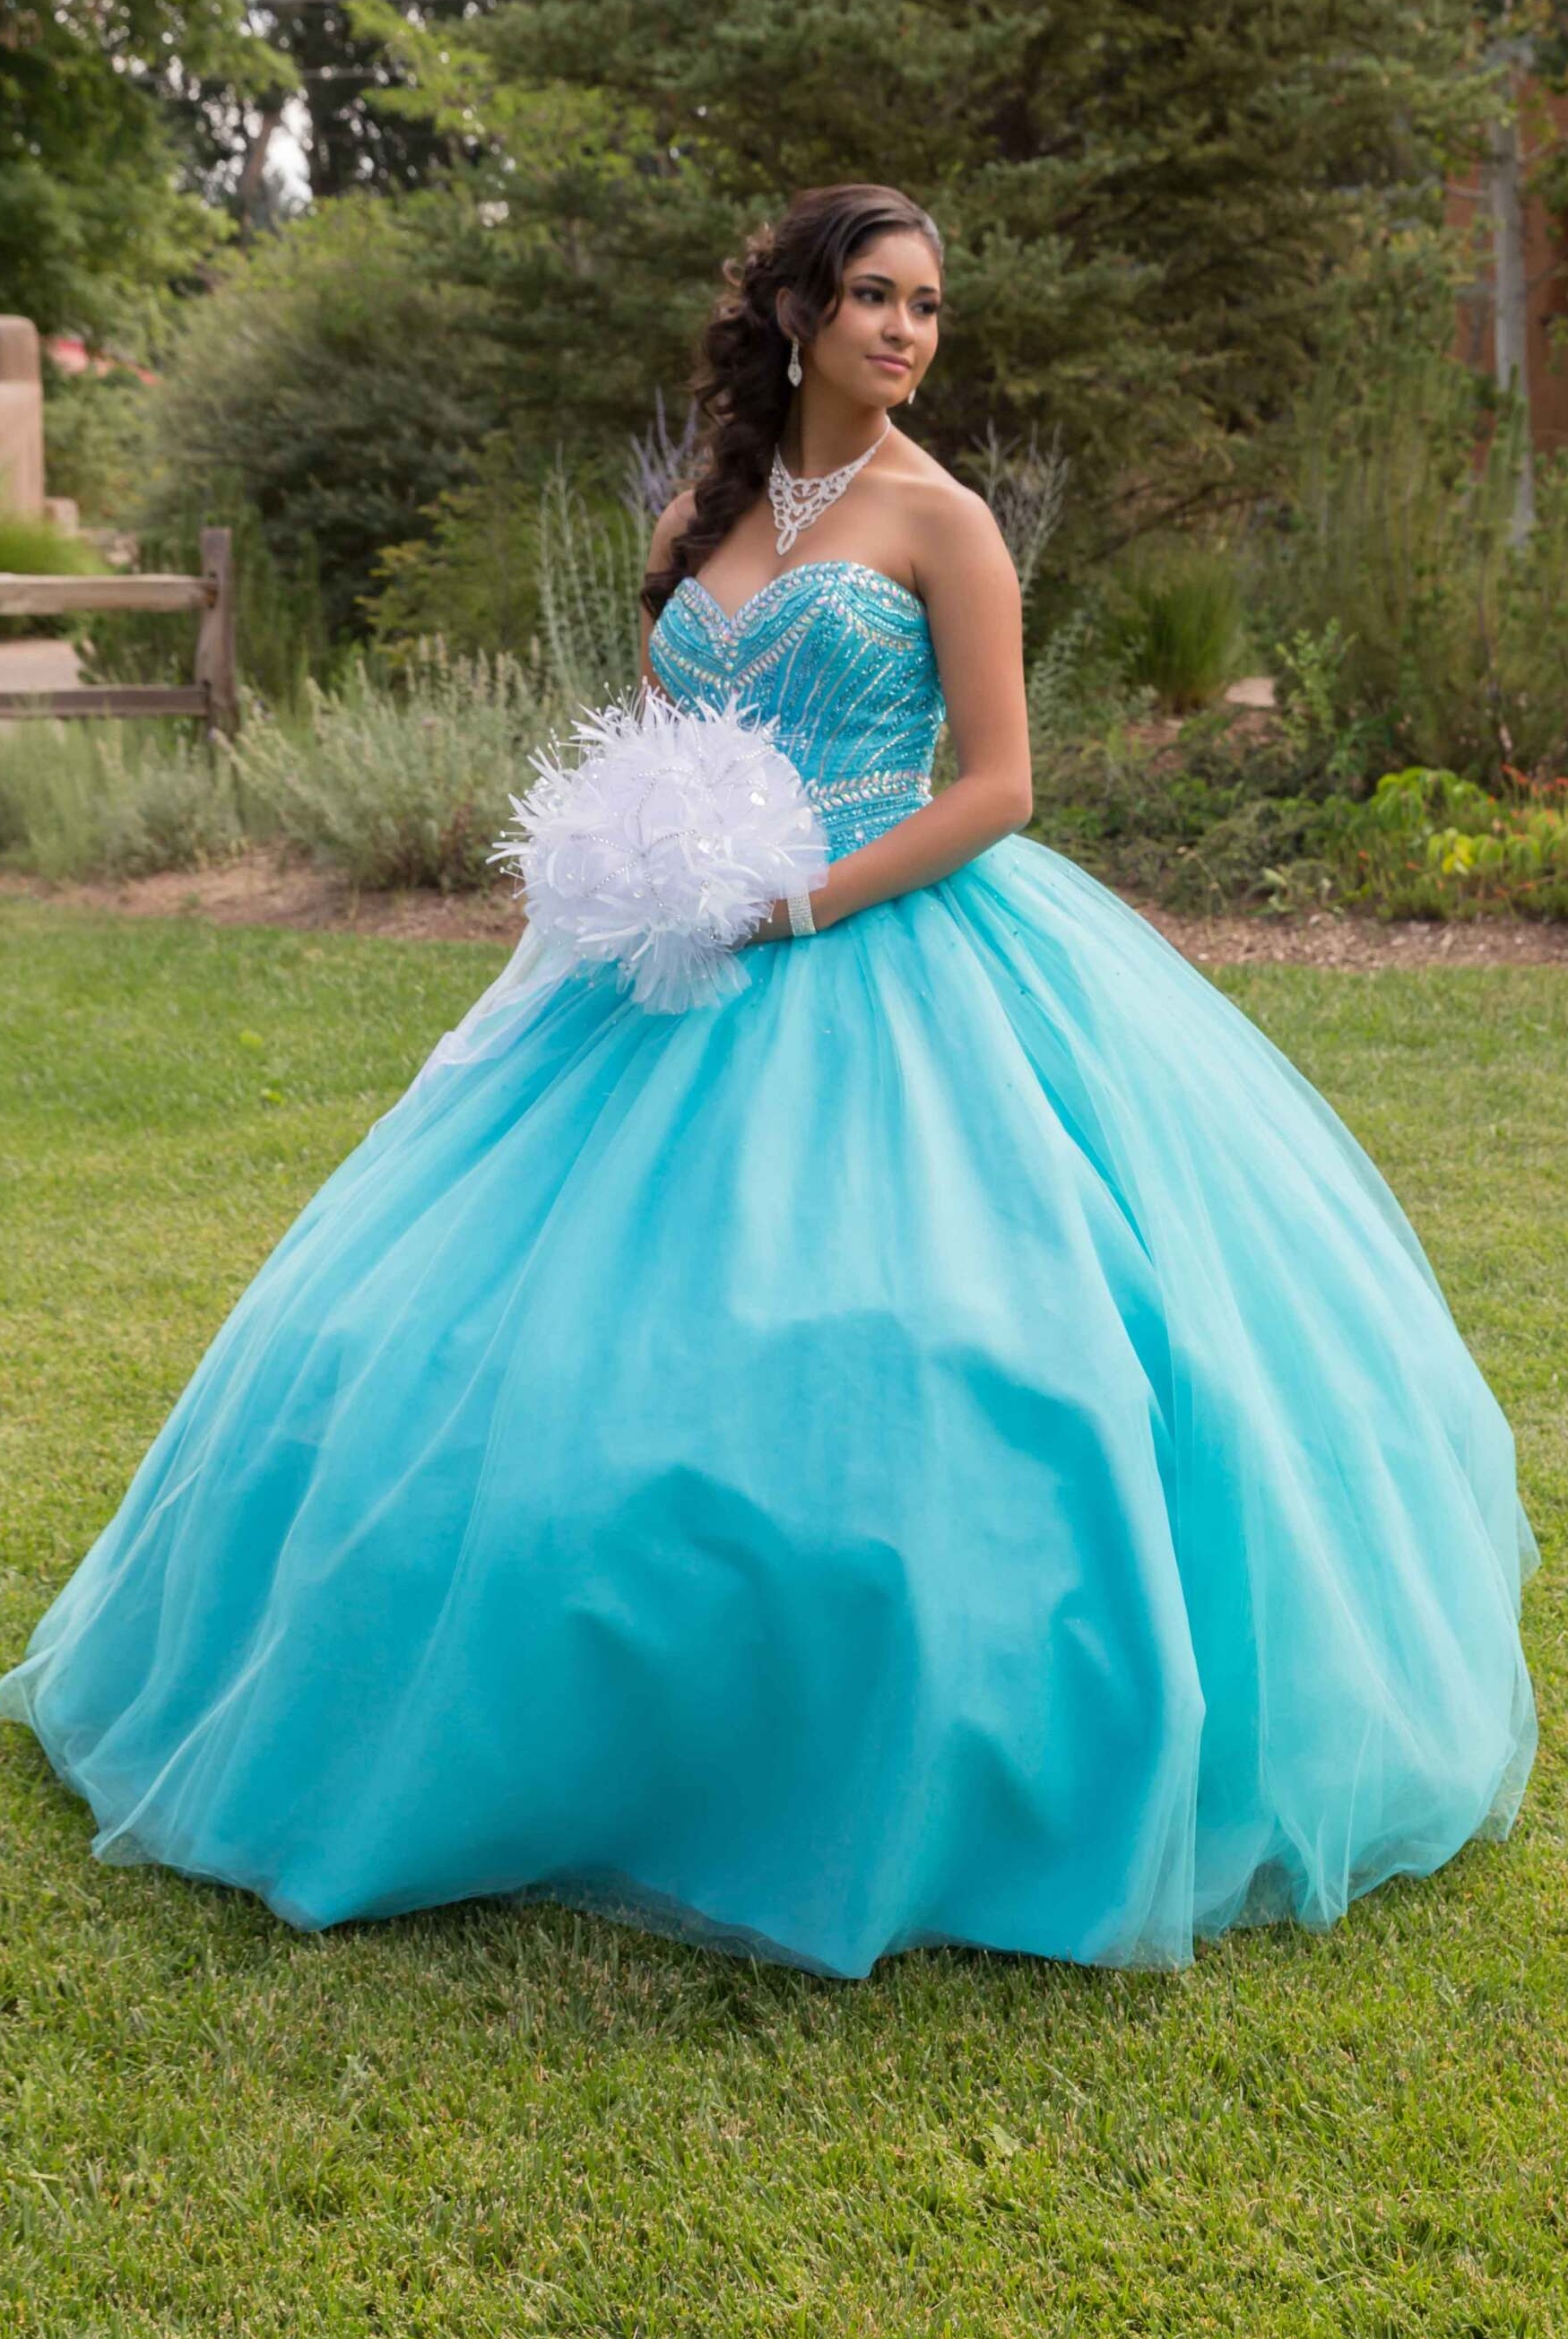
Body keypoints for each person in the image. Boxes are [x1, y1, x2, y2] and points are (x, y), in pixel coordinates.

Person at [0, 184, 1539, 1979]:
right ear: (797, 313)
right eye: (876, 295)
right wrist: (617, 886)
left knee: (915, 1340)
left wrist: (798, 902)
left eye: (929, 305)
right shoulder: (699, 512)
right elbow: (664, 751)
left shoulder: (945, 521)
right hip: (669, 964)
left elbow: (998, 786)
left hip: (882, 935)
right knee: (480, 1337)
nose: (907, 331)